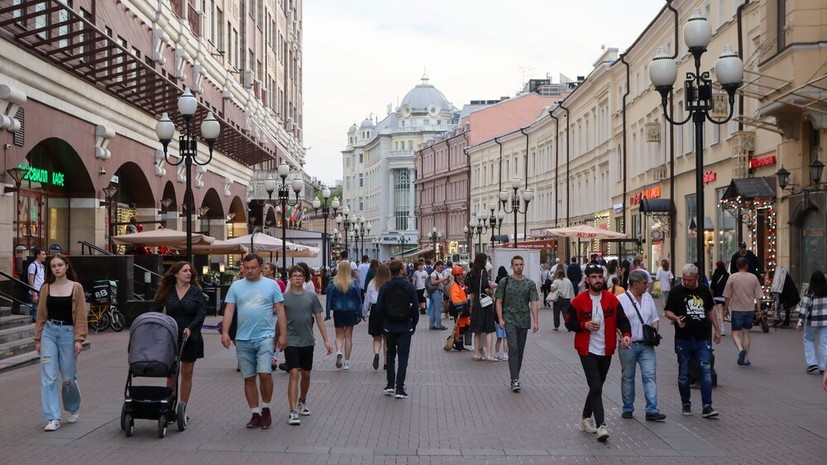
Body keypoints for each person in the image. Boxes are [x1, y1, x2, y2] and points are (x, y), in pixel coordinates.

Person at [565, 263, 632, 442]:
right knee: (595, 387)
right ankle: (602, 425)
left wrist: (626, 335)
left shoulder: (611, 299)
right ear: (587, 279)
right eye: (593, 277)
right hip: (586, 350)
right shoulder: (578, 301)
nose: (597, 280)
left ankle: (585, 418)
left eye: (600, 277)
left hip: (606, 349)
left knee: (597, 387)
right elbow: (569, 323)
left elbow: (623, 321)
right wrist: (583, 325)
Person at [220, 254, 286, 430]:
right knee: (248, 377)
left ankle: (266, 408)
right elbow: (229, 310)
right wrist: (225, 332)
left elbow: (280, 311)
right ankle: (255, 412)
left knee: (265, 373)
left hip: (265, 336)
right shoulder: (236, 286)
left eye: (253, 268)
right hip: (242, 338)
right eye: (246, 267)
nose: (249, 271)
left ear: (260, 267)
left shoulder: (271, 285)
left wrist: (283, 335)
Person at [33, 254, 86, 432]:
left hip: (68, 334)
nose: (57, 268)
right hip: (49, 332)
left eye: (60, 265)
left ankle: (72, 407)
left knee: (68, 378)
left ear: (66, 267)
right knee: (48, 377)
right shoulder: (46, 288)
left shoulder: (76, 287)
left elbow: (80, 315)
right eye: (53, 266)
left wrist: (79, 339)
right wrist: (38, 339)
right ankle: (52, 417)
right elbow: (41, 315)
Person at [152, 261, 207, 426]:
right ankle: (169, 406)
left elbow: (201, 313)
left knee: (187, 372)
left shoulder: (196, 293)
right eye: (185, 271)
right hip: (171, 335)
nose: (189, 274)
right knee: (171, 372)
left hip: (190, 336)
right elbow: (154, 309)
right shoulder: (166, 292)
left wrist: (191, 328)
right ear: (176, 274)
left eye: (190, 271)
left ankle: (183, 407)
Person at [664, 263, 721, 419]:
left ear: (696, 278)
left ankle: (707, 406)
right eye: (684, 279)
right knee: (684, 374)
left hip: (703, 339)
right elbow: (667, 311)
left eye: (690, 280)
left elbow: (710, 309)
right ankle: (686, 404)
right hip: (683, 339)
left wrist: (717, 329)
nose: (687, 282)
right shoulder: (676, 292)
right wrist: (676, 318)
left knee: (706, 371)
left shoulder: (703, 290)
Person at [282, 266, 333, 425]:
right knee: (293, 374)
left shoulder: (311, 297)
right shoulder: (283, 298)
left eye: (300, 276)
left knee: (306, 374)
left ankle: (302, 400)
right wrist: (278, 338)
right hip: (291, 341)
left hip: (307, 341)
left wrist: (326, 340)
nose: (297, 278)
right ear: (290, 279)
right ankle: (292, 411)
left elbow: (318, 318)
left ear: (304, 278)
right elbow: (280, 321)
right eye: (294, 276)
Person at [617, 270, 665, 421]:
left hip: (646, 345)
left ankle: (652, 409)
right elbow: (616, 323)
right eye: (645, 283)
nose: (648, 285)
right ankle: (628, 408)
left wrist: (654, 331)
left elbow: (655, 318)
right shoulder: (621, 300)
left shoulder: (648, 298)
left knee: (649, 375)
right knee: (628, 377)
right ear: (635, 284)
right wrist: (622, 336)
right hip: (628, 346)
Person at [495, 255, 540, 393]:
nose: (519, 267)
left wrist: (535, 321)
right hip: (509, 319)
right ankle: (515, 379)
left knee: (519, 350)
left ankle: (515, 376)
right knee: (513, 347)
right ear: (512, 266)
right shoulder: (505, 281)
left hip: (523, 320)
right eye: (516, 265)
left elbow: (533, 302)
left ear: (523, 266)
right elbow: (499, 301)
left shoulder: (529, 283)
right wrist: (501, 318)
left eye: (521, 264)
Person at [376, 260, 419, 399]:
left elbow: (378, 307)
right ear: (400, 270)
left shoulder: (385, 286)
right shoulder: (409, 286)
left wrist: (385, 321)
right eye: (404, 268)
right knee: (403, 357)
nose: (406, 269)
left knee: (390, 355)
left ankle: (390, 385)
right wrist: (414, 324)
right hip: (405, 326)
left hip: (389, 326)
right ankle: (399, 388)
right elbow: (416, 307)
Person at [723, 257, 763, 367]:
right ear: (746, 266)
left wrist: (726, 309)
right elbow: (759, 296)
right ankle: (745, 359)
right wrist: (758, 310)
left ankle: (741, 350)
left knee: (735, 333)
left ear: (736, 266)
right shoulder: (753, 278)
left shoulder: (732, 278)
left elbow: (727, 296)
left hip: (736, 309)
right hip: (749, 309)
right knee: (746, 333)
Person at [325, 260, 362, 370]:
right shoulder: (353, 282)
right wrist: (360, 313)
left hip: (338, 310)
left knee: (339, 335)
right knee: (349, 336)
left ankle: (339, 351)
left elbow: (328, 299)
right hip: (351, 310)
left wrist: (328, 314)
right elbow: (358, 298)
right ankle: (346, 362)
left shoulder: (333, 282)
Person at [797, 270, 827, 375]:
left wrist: (800, 321)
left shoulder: (810, 291)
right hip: (825, 320)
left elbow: (804, 307)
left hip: (812, 320)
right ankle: (823, 366)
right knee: (824, 342)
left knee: (808, 339)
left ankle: (812, 363)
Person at [467, 254, 496, 360]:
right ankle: (489, 354)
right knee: (488, 329)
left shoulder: (471, 272)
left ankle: (477, 353)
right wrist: (490, 288)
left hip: (476, 302)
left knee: (477, 330)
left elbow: (469, 288)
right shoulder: (483, 272)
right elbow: (485, 286)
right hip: (485, 302)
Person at [363, 263, 391, 370]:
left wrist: (364, 313)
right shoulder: (389, 283)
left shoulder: (372, 283)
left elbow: (367, 301)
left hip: (375, 310)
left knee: (377, 337)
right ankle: (386, 362)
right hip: (387, 310)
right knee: (387, 338)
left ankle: (376, 354)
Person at [448, 265, 472, 352]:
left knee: (463, 326)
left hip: (462, 309)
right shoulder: (455, 285)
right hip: (459, 309)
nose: (462, 276)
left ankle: (458, 343)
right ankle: (458, 344)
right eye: (461, 274)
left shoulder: (459, 284)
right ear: (457, 275)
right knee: (459, 327)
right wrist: (460, 308)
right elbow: (456, 298)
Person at [427, 261, 449, 330]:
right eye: (440, 267)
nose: (441, 268)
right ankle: (439, 325)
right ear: (436, 266)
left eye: (442, 267)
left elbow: (443, 283)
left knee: (434, 309)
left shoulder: (439, 273)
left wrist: (447, 280)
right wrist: (442, 279)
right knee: (437, 309)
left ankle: (432, 325)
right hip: (436, 292)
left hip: (438, 292)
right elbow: (433, 282)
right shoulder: (434, 273)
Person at [710, 260, 730, 336]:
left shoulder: (715, 274)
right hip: (725, 295)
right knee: (724, 310)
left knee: (720, 311)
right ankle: (722, 325)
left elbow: (712, 285)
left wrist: (711, 294)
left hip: (717, 295)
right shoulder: (727, 275)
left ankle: (721, 327)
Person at [27, 247, 47, 322]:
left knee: (41, 310)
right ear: (38, 255)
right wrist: (34, 294)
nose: (45, 256)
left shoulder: (42, 266)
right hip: (35, 291)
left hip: (41, 291)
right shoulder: (33, 266)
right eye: (43, 254)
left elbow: (42, 280)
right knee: (36, 311)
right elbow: (31, 280)